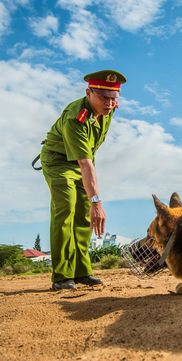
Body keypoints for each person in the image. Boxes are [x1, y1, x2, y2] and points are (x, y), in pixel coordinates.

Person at [37, 70, 127, 290]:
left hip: (82, 163)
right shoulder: (74, 117)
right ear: (89, 93)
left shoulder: (109, 109)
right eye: (104, 97)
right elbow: (86, 163)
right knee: (66, 207)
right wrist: (97, 201)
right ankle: (61, 276)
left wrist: (91, 201)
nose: (109, 103)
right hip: (58, 161)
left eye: (114, 98)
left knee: (83, 214)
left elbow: (89, 155)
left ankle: (81, 272)